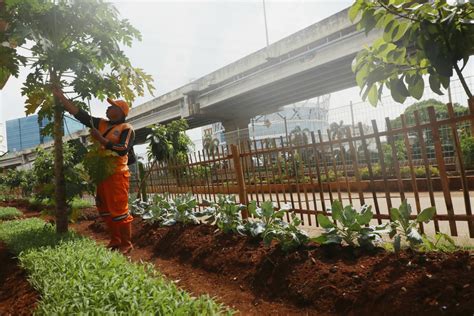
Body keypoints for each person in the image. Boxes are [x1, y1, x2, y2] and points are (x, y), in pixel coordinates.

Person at [53, 87, 135, 254]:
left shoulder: (127, 128)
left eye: (112, 107)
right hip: (102, 172)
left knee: (119, 208)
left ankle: (127, 244)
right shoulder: (101, 123)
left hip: (117, 173)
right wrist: (62, 97)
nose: (108, 108)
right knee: (103, 208)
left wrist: (102, 140)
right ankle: (115, 240)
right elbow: (80, 114)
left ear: (120, 112)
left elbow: (122, 149)